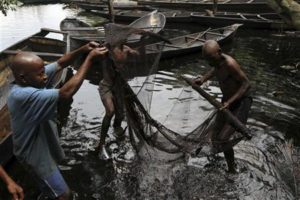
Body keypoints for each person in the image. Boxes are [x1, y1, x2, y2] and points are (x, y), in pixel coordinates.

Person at [7, 41, 108, 199]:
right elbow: (65, 93)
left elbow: (61, 63)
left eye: (43, 71)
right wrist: (89, 59)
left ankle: (46, 191)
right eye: (41, 74)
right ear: (23, 78)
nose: (45, 76)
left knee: (48, 186)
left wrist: (82, 49)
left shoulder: (31, 76)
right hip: (34, 154)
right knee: (64, 195)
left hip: (42, 143)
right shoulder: (22, 96)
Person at [193, 40, 252, 173]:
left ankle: (232, 169)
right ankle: (217, 161)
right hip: (227, 101)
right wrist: (203, 79)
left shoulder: (230, 64)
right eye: (207, 60)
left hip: (241, 102)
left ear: (219, 52)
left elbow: (247, 84)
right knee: (215, 136)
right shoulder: (217, 62)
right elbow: (215, 69)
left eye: (211, 59)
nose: (209, 62)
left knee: (223, 139)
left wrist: (229, 102)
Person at [97, 44, 139, 160]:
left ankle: (117, 132)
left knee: (120, 115)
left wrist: (133, 53)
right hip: (107, 86)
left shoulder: (126, 49)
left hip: (119, 86)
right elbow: (97, 53)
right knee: (110, 111)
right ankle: (101, 143)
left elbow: (137, 55)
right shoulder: (106, 50)